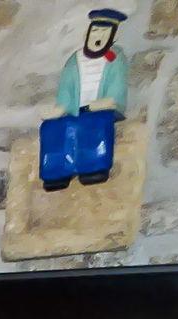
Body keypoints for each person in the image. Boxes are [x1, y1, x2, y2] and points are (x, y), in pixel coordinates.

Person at [39, 6, 129, 190]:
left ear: (113, 36)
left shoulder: (116, 58)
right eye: (95, 31)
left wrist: (108, 102)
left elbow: (117, 86)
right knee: (52, 128)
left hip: (100, 108)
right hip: (75, 109)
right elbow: (66, 89)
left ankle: (92, 168)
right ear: (87, 34)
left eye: (104, 33)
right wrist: (62, 108)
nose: (98, 36)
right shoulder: (75, 60)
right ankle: (56, 173)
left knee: (94, 124)